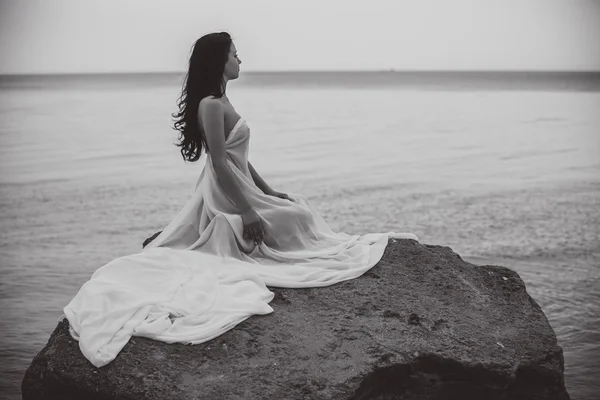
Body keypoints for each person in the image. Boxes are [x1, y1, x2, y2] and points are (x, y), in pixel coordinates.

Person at [61, 32, 418, 368]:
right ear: (220, 60)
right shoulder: (211, 105)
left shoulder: (223, 100)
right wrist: (247, 211)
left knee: (296, 207)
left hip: (240, 183)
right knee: (294, 219)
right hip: (224, 193)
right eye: (234, 54)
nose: (240, 59)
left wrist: (267, 190)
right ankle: (250, 226)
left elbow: (239, 158)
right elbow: (218, 161)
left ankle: (269, 216)